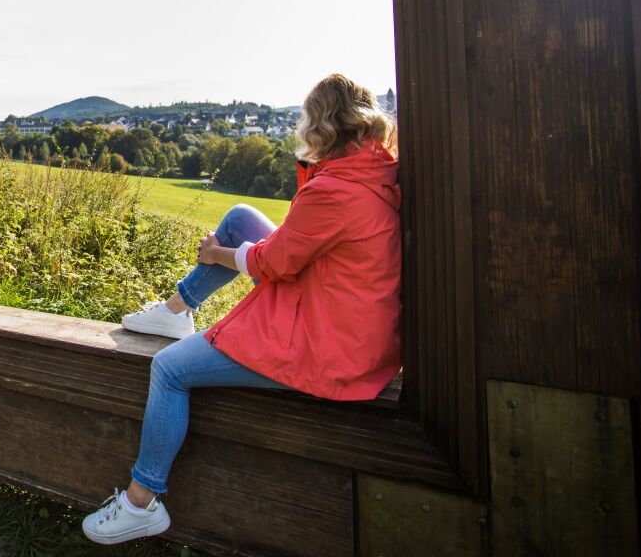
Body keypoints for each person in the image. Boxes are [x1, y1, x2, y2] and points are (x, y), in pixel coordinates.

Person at [82, 74, 402, 545]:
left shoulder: (334, 190)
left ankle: (140, 503)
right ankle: (176, 309)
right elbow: (297, 248)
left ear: (322, 125)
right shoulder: (373, 172)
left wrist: (215, 254)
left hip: (332, 346)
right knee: (239, 219)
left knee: (169, 369)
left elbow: (275, 263)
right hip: (356, 324)